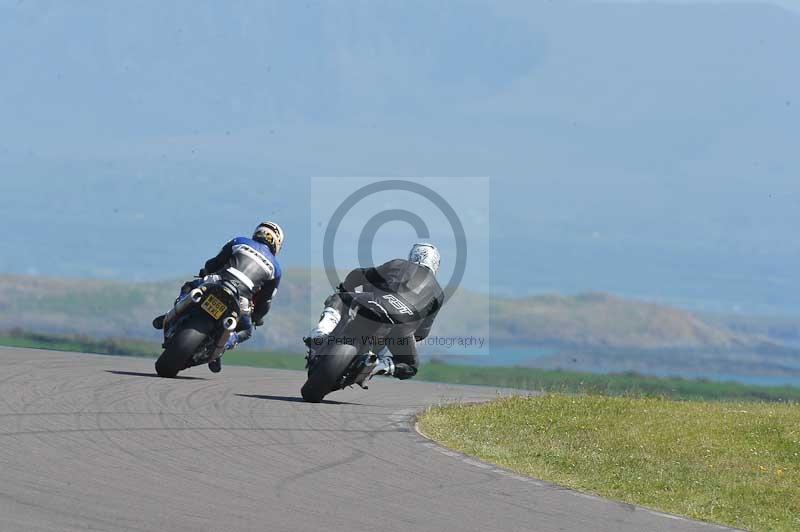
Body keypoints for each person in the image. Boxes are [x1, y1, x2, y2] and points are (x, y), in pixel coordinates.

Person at [153, 221, 284, 373]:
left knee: (189, 287)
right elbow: (265, 301)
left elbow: (215, 262)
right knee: (246, 331)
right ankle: (222, 347)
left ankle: (170, 315)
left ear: (257, 232)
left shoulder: (239, 241)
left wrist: (205, 271)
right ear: (277, 243)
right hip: (241, 299)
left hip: (218, 282)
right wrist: (257, 317)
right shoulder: (276, 269)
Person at [304, 243, 444, 380]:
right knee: (411, 366)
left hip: (376, 304)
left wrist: (346, 289)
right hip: (401, 329)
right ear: (436, 264)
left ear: (412, 256)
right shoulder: (438, 293)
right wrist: (407, 336)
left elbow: (359, 274)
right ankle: (378, 366)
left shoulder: (398, 264)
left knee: (339, 298)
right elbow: (422, 333)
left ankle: (321, 331)